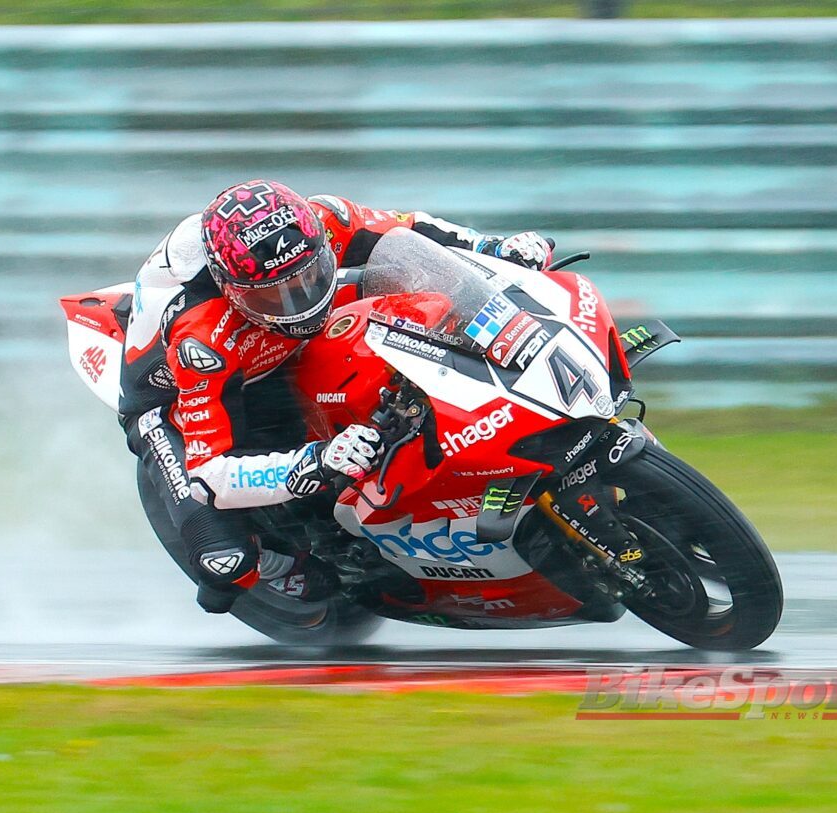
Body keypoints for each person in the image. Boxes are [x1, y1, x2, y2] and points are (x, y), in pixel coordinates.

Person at [120, 179, 552, 613]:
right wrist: (316, 460)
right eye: (277, 294)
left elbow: (412, 231)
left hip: (275, 343)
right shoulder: (199, 338)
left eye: (310, 276)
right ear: (233, 291)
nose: (302, 300)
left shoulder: (324, 219)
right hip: (173, 398)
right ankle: (277, 565)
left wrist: (495, 249)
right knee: (224, 562)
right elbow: (210, 475)